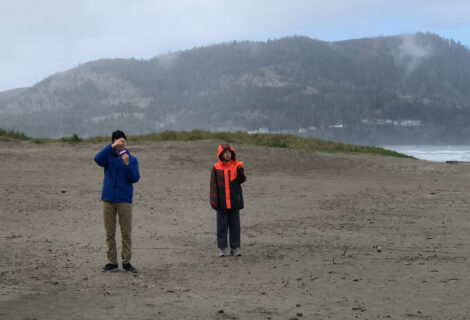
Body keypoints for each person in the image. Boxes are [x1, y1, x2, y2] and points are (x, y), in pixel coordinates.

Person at [94, 130, 140, 273]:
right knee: (110, 232)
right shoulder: (108, 157)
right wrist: (110, 147)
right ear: (114, 142)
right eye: (118, 142)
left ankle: (126, 262)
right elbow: (97, 159)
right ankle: (112, 262)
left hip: (124, 200)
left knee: (126, 232)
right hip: (108, 199)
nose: (122, 144)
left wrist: (127, 164)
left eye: (123, 141)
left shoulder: (132, 159)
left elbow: (134, 178)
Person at [210, 144, 246, 257]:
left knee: (235, 226)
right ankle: (222, 248)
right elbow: (213, 186)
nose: (227, 154)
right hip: (221, 203)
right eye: (225, 152)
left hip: (234, 202)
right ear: (221, 154)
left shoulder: (236, 166)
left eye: (229, 152)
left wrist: (240, 170)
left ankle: (235, 248)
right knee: (221, 226)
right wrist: (214, 201)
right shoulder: (216, 168)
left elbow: (242, 180)